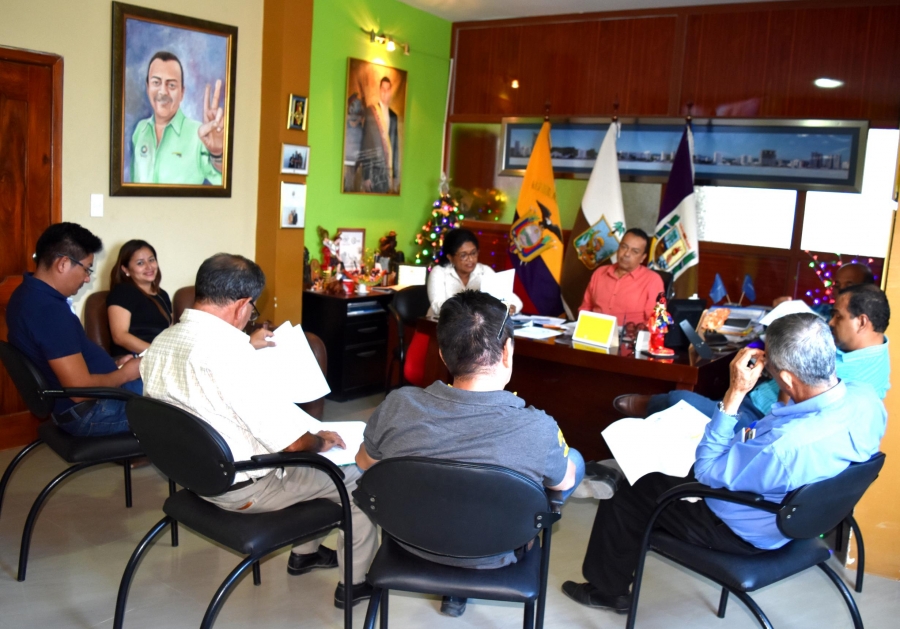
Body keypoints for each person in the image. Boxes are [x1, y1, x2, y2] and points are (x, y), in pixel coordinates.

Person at [562, 313, 886, 614]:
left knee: (633, 489)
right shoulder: (867, 399)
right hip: (805, 516)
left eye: (773, 371)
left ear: (787, 377)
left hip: (741, 530)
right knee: (666, 479)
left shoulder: (783, 447)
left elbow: (707, 471)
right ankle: (636, 536)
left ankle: (607, 591)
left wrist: (735, 393)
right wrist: (782, 396)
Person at [141, 254, 377, 609]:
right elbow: (294, 443)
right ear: (242, 304)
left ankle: (306, 554)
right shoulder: (230, 355)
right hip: (243, 489)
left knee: (314, 468)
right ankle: (355, 584)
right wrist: (321, 440)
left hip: (193, 474)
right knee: (358, 476)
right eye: (252, 309)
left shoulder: (163, 341)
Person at [356, 290, 583, 617]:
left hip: (410, 541)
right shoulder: (538, 427)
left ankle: (454, 592)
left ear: (443, 354)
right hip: (496, 551)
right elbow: (563, 485)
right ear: (507, 351)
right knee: (572, 462)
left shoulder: (397, 405)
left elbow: (364, 463)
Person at [616, 283, 890, 423]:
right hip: (756, 399)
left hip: (762, 420)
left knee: (680, 400)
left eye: (838, 316)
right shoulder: (862, 352)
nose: (830, 322)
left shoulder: (862, 377)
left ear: (862, 322)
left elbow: (795, 405)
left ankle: (654, 406)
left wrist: (778, 364)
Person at [5, 223, 143, 436]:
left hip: (85, 403)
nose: (87, 278)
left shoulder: (26, 293)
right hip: (90, 412)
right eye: (86, 269)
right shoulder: (48, 311)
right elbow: (80, 390)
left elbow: (64, 361)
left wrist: (114, 367)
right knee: (182, 404)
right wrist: (125, 374)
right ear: (63, 264)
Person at [130, 51, 224, 185]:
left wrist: (217, 154)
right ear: (148, 87)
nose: (163, 91)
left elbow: (224, 183)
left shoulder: (201, 135)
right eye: (156, 82)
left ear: (182, 92)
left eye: (171, 85)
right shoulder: (140, 130)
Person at [426, 228, 523, 316]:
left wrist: (511, 307)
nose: (470, 259)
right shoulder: (439, 272)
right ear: (450, 257)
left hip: (474, 327)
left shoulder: (484, 271)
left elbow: (515, 300)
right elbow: (437, 306)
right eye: (463, 255)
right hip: (439, 325)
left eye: (473, 253)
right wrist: (473, 308)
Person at [579, 228, 664, 326]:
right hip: (594, 331)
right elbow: (585, 309)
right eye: (624, 247)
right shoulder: (600, 273)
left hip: (629, 334)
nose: (627, 254)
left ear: (642, 258)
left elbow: (657, 322)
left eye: (635, 251)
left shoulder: (653, 280)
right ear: (618, 248)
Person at [107, 240, 172, 357]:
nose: (149, 267)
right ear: (126, 269)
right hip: (134, 358)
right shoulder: (123, 291)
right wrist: (158, 353)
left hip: (162, 357)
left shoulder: (162, 295)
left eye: (151, 260)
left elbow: (170, 331)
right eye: (140, 263)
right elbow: (120, 336)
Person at [358, 76, 399, 194]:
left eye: (388, 89)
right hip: (374, 170)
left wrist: (395, 175)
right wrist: (366, 176)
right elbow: (366, 144)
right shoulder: (371, 112)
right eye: (383, 89)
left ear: (390, 91)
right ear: (380, 90)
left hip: (388, 169)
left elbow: (395, 146)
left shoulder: (394, 116)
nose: (385, 92)